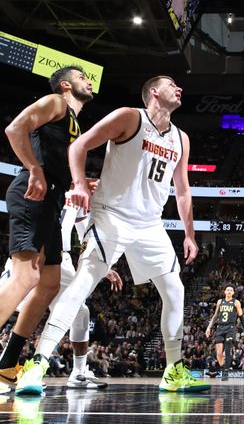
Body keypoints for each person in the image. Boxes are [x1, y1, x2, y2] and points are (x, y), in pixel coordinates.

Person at [15, 76, 209, 394]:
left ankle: (173, 371)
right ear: (154, 92)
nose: (180, 88)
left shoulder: (181, 138)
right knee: (82, 284)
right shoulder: (129, 117)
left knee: (175, 291)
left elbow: (183, 190)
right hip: (112, 215)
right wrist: (78, 183)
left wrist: (189, 234)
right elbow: (79, 145)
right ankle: (37, 365)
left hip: (150, 224)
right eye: (172, 84)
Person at [0, 66, 93, 395]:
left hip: (52, 200)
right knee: (25, 278)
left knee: (49, 284)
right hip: (31, 193)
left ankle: (7, 364)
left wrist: (79, 182)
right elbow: (15, 129)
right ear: (67, 85)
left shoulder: (75, 122)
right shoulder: (56, 102)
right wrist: (35, 169)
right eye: (82, 78)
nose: (89, 81)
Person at [0, 189, 123, 390]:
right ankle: (6, 366)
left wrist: (105, 266)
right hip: (31, 247)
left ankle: (79, 373)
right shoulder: (51, 180)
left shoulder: (75, 190)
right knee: (13, 305)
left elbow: (85, 231)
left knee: (80, 312)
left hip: (59, 258)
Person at [205, 284, 244, 381]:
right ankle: (224, 367)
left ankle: (225, 372)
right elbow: (215, 316)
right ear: (224, 292)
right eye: (227, 290)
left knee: (227, 350)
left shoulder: (236, 302)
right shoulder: (220, 301)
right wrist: (209, 327)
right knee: (219, 353)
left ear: (233, 293)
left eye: (231, 290)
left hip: (230, 328)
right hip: (220, 328)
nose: (229, 291)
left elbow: (241, 316)